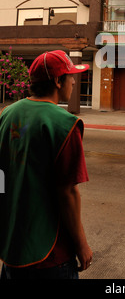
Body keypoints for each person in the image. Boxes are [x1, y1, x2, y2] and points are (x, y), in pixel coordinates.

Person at [0, 50, 93, 279]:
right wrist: (82, 244)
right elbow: (68, 192)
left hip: (12, 248)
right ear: (57, 81)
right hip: (51, 256)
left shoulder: (7, 114)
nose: (73, 81)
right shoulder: (65, 124)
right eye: (69, 76)